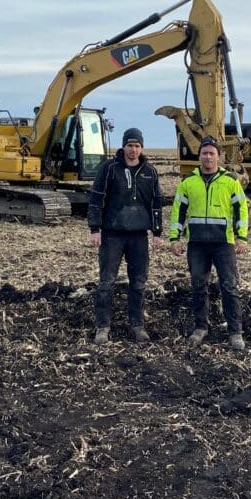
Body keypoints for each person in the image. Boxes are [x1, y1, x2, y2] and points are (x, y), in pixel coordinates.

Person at [169, 136, 249, 351]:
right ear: (200, 156)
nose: (208, 156)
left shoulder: (230, 182)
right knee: (198, 286)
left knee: (230, 287)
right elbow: (178, 212)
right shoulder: (188, 183)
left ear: (218, 156)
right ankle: (200, 328)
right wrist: (175, 238)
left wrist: (241, 237)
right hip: (197, 243)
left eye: (212, 153)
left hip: (223, 243)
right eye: (204, 153)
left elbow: (241, 210)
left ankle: (235, 332)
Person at [88, 127, 163, 344]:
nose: (133, 150)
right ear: (123, 146)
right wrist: (95, 229)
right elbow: (96, 199)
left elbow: (156, 203)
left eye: (137, 146)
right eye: (129, 145)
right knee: (106, 282)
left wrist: (157, 232)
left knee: (139, 282)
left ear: (142, 147)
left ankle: (137, 325)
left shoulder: (150, 172)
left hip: (139, 236)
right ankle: (103, 326)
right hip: (113, 235)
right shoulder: (109, 169)